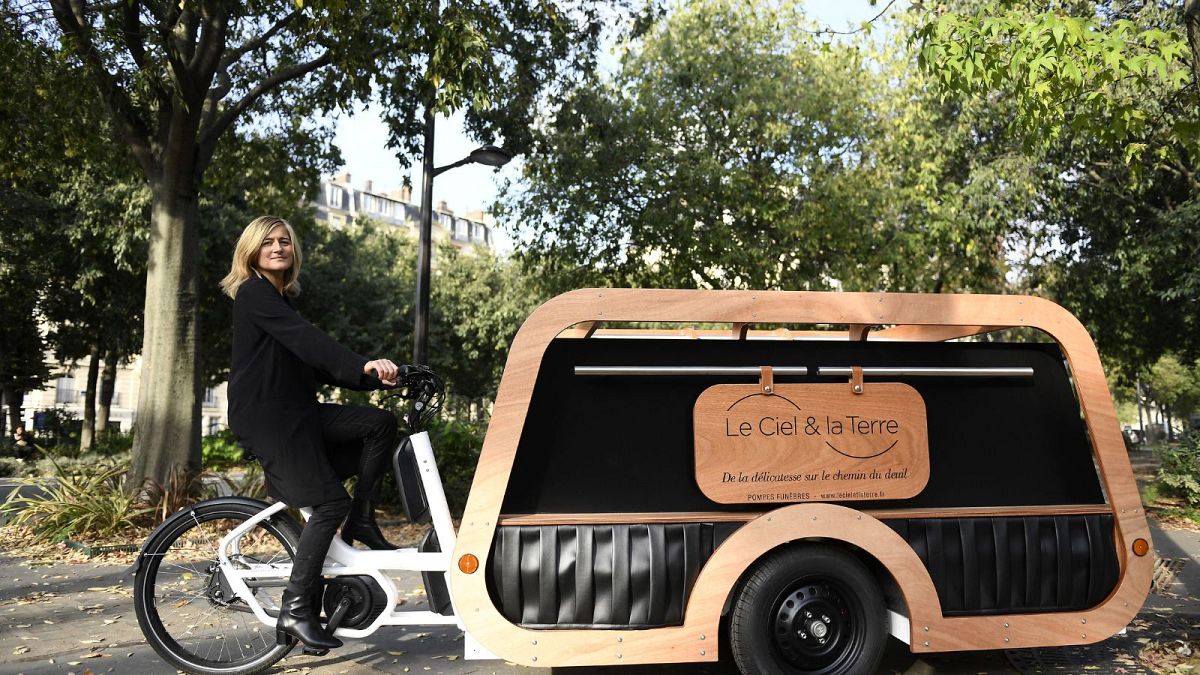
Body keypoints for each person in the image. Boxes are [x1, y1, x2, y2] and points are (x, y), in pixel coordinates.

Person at [220, 215, 405, 651]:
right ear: (251, 251)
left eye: (285, 241)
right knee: (328, 502)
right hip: (271, 420)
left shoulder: (280, 301)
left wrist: (379, 376)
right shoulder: (253, 294)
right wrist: (360, 363)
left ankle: (362, 517)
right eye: (268, 242)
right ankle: (297, 608)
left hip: (298, 414)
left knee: (378, 424)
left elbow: (314, 361)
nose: (278, 247)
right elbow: (308, 340)